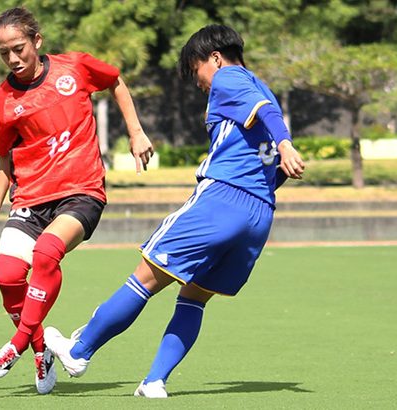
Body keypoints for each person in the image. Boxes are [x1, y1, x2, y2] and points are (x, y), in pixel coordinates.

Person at [44, 24, 306, 398]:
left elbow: (268, 124)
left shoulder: (228, 79)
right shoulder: (263, 90)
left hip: (222, 202)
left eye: (196, 69)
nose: (198, 82)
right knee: (194, 298)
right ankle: (154, 382)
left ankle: (78, 351)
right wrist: (282, 153)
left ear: (215, 58)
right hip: (260, 213)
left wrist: (285, 144)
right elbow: (267, 153)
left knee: (144, 279)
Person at [0, 7, 153, 395]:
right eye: (4, 53)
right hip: (32, 197)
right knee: (7, 275)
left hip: (81, 192)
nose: (13, 59)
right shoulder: (2, 100)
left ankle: (15, 347)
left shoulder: (75, 69)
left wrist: (135, 133)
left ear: (37, 41)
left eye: (19, 48)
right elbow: (5, 156)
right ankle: (40, 350)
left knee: (47, 253)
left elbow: (115, 81)